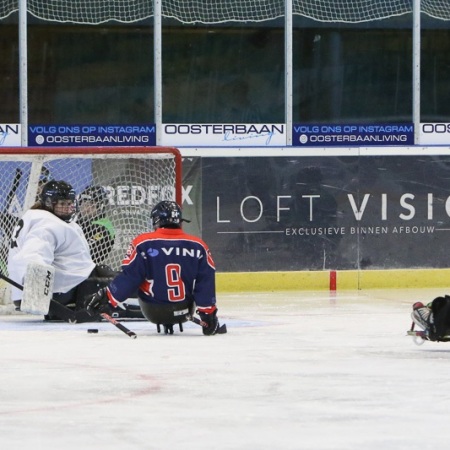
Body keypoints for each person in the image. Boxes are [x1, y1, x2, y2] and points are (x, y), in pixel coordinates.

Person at [7, 180, 141, 322]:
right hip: (61, 290)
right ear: (48, 203)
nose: (67, 208)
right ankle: (156, 299)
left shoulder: (42, 218)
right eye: (62, 204)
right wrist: (37, 296)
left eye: (69, 203)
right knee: (122, 285)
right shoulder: (46, 225)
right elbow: (33, 255)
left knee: (113, 276)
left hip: (68, 283)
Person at [84, 200, 221, 335]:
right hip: (184, 311)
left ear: (156, 221)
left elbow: (131, 277)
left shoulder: (142, 243)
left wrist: (107, 296)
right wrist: (208, 314)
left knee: (142, 276)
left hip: (153, 311)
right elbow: (205, 282)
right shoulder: (198, 245)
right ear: (179, 221)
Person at [77, 185, 115, 265]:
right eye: (84, 204)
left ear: (100, 207)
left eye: (91, 205)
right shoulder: (78, 222)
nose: (86, 209)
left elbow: (85, 252)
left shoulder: (103, 227)